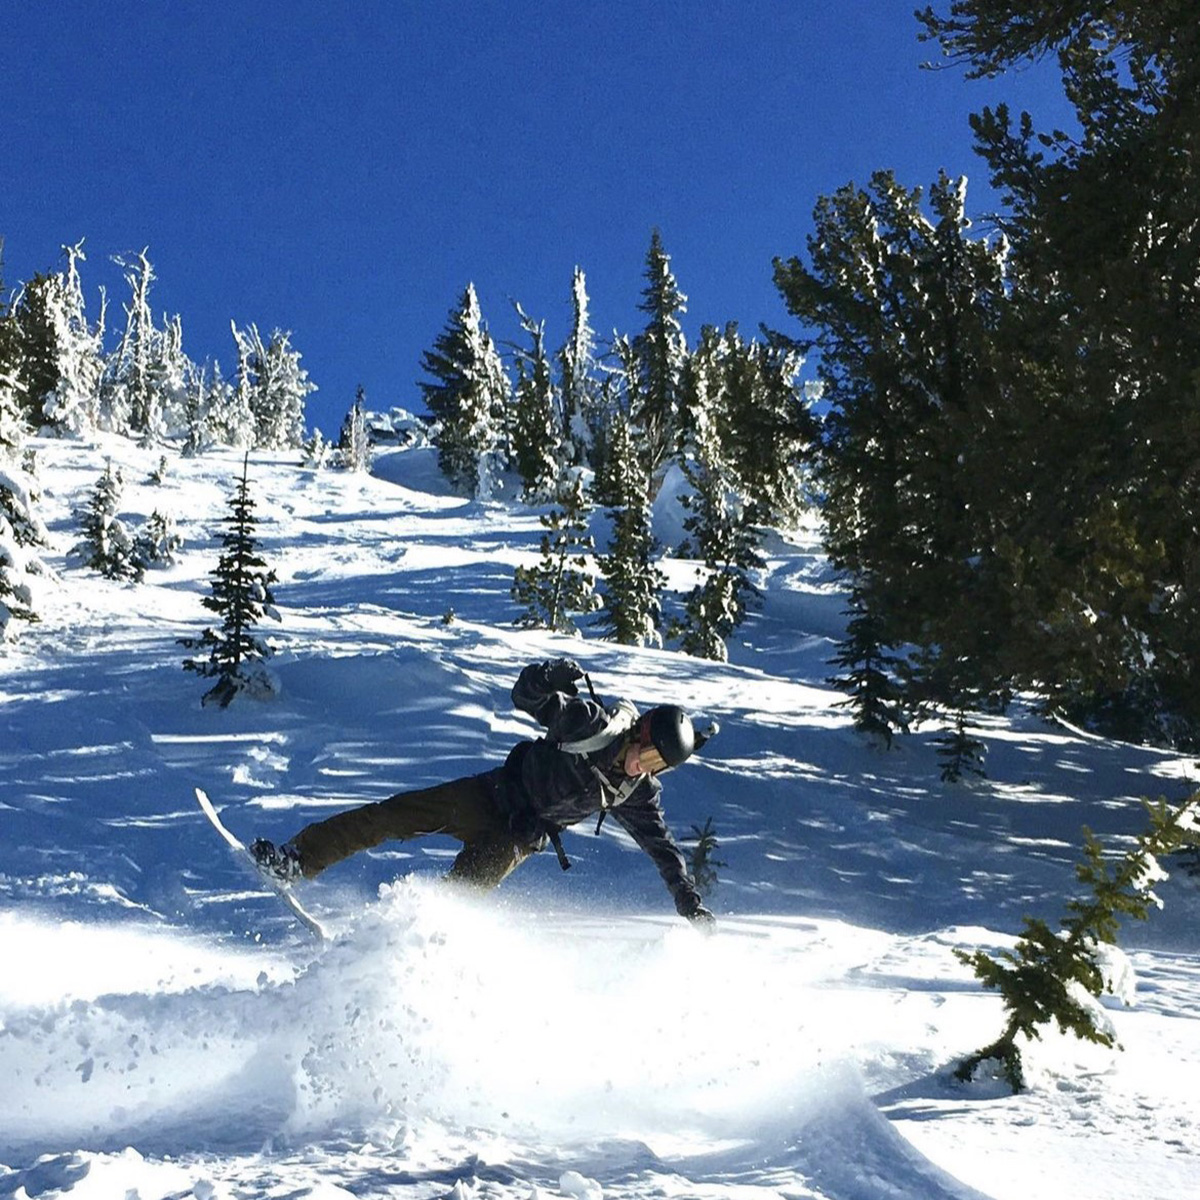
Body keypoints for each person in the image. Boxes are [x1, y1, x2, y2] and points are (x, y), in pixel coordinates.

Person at [251, 658, 716, 926]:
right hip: (488, 796)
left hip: (517, 838)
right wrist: (545, 676)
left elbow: (663, 850)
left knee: (456, 900)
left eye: (657, 766)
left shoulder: (634, 792)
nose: (643, 766)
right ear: (639, 732)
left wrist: (688, 902)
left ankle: (393, 951)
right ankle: (296, 860)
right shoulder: (592, 725)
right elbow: (526, 698)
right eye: (648, 753)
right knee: (389, 817)